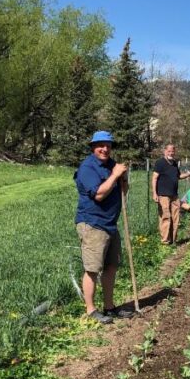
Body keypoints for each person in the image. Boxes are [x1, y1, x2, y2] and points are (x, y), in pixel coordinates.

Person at [74, 130, 135, 324]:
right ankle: (91, 310)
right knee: (92, 268)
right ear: (93, 147)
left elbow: (124, 192)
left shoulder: (112, 165)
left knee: (111, 266)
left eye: (108, 145)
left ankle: (109, 307)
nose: (105, 149)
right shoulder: (87, 168)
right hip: (93, 224)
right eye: (100, 145)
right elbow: (99, 194)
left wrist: (123, 178)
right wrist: (115, 175)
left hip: (110, 223)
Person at [152, 143, 190, 245]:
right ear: (165, 151)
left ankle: (173, 240)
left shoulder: (174, 163)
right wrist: (154, 193)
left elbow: (178, 176)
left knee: (176, 218)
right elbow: (154, 177)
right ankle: (165, 241)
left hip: (174, 195)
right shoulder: (160, 163)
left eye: (173, 151)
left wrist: (189, 174)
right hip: (163, 195)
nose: (171, 153)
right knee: (166, 217)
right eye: (169, 151)